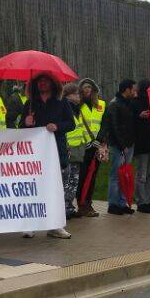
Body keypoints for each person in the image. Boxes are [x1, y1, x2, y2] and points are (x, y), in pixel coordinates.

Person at [17, 73, 74, 238]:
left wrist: (57, 126)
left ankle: (55, 226)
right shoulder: (30, 103)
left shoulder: (61, 101)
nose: (42, 84)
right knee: (34, 189)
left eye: (45, 81)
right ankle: (30, 224)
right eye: (39, 81)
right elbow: (22, 128)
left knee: (56, 189)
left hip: (56, 150)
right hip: (36, 154)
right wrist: (26, 123)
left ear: (52, 83)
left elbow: (70, 123)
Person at [98, 79, 138, 214]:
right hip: (118, 146)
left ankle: (122, 203)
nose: (134, 92)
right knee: (115, 175)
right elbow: (114, 127)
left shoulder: (129, 103)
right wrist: (122, 146)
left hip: (129, 144)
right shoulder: (114, 104)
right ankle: (113, 204)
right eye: (133, 89)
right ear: (126, 89)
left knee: (124, 174)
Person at [75, 78, 107, 216]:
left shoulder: (101, 104)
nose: (87, 89)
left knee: (93, 176)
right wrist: (85, 141)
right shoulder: (78, 105)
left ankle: (89, 203)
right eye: (84, 87)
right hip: (83, 146)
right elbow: (76, 125)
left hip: (97, 146)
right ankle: (81, 204)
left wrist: (99, 140)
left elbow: (105, 124)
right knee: (82, 176)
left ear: (94, 89)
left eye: (89, 87)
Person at [132, 80, 150, 214]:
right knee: (142, 174)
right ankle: (141, 201)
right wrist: (139, 116)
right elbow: (129, 120)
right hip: (142, 143)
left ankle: (147, 200)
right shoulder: (135, 102)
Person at [62, 83, 86, 219]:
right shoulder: (65, 108)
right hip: (69, 148)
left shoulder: (77, 109)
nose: (78, 96)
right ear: (68, 95)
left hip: (78, 147)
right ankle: (64, 208)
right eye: (76, 94)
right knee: (67, 180)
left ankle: (70, 207)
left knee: (74, 180)